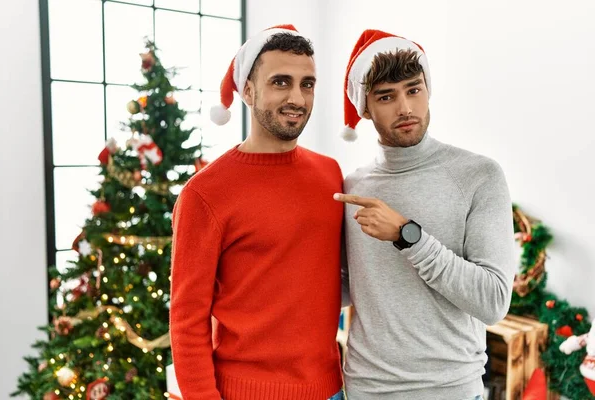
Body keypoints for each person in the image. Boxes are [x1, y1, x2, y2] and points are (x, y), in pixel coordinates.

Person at [334, 29, 515, 400]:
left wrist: (407, 235)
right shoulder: (353, 187)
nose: (405, 108)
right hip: (367, 389)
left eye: (414, 90)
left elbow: (493, 302)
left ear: (427, 90)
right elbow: (348, 288)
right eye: (386, 96)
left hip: (451, 391)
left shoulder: (479, 175)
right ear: (364, 108)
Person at [170, 25, 344, 400]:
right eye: (281, 82)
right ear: (247, 90)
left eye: (307, 84)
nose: (297, 97)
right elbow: (187, 320)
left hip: (331, 389)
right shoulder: (205, 193)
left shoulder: (331, 174)